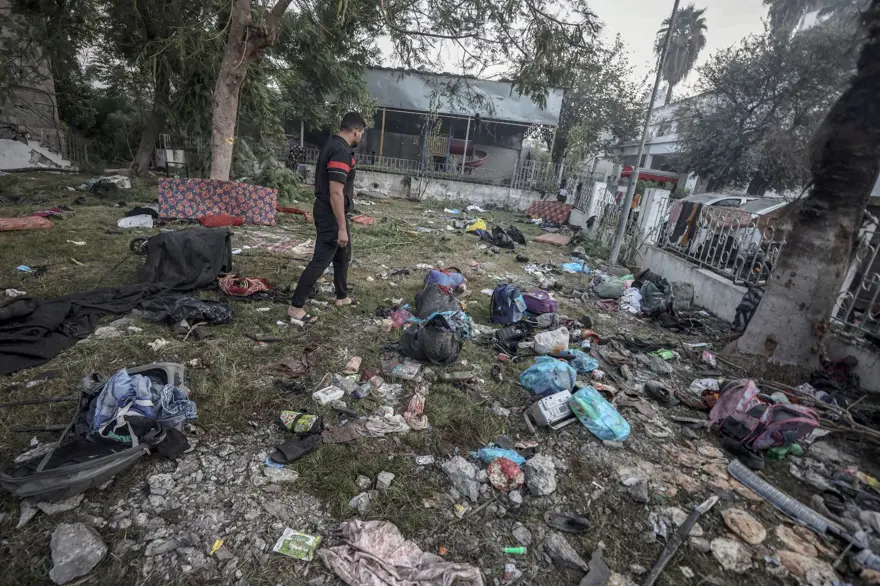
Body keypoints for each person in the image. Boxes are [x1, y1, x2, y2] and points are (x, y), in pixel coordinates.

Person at [288, 112, 366, 322]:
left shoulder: (333, 144)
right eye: (362, 134)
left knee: (343, 253)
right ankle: (296, 307)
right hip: (331, 213)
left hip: (333, 211)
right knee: (322, 259)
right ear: (356, 131)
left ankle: (342, 296)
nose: (361, 137)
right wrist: (341, 227)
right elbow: (335, 193)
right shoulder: (341, 151)